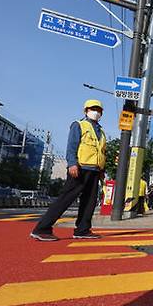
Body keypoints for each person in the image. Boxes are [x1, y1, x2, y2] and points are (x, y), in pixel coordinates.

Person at [30, 100, 106, 241]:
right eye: (92, 108)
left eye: (98, 109)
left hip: (95, 170)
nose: (96, 111)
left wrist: (102, 170)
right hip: (79, 168)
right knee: (66, 198)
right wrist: (72, 164)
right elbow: (72, 146)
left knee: (89, 202)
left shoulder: (101, 131)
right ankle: (42, 228)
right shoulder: (79, 125)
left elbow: (101, 152)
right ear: (86, 111)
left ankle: (82, 230)